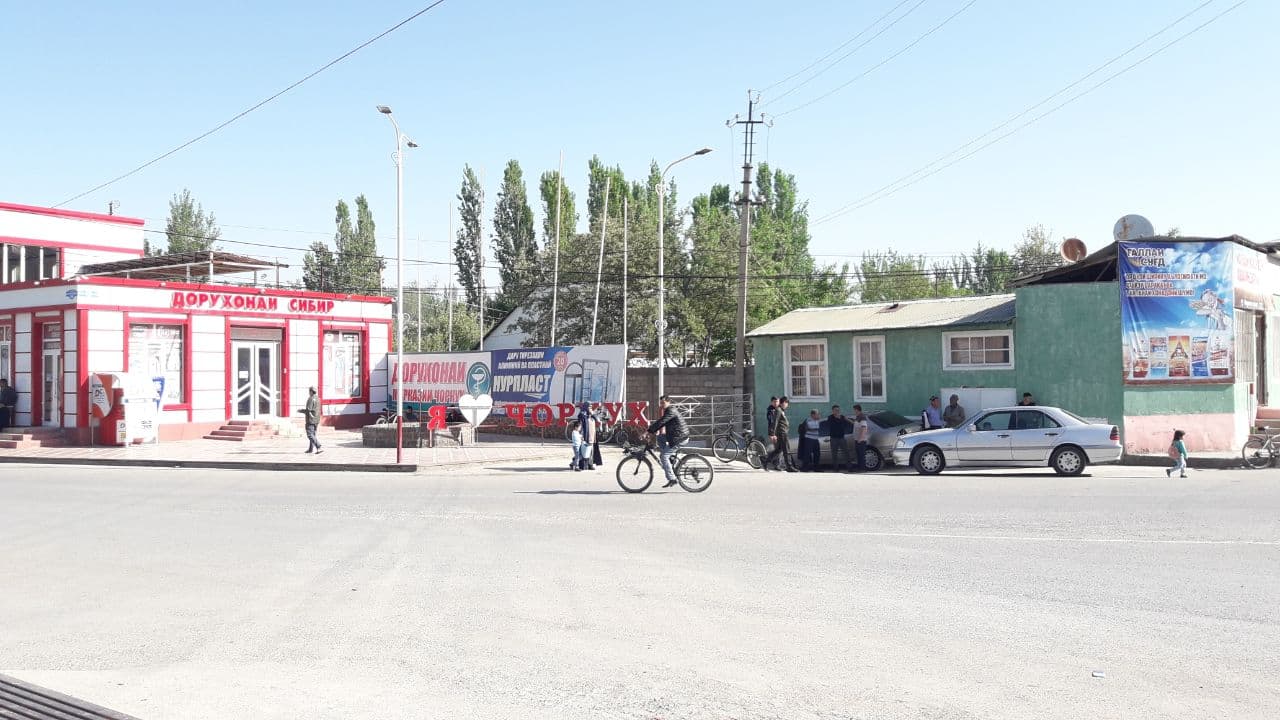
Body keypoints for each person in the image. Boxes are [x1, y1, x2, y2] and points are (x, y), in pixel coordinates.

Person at [646, 395, 690, 488]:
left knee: (663, 456)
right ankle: (670, 460)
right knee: (660, 438)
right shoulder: (668, 410)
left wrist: (649, 431)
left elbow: (662, 421)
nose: (661, 405)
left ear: (668, 402)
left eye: (663, 403)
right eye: (660, 403)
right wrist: (653, 431)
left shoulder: (671, 410)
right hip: (675, 435)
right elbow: (662, 422)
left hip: (679, 438)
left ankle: (672, 479)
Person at [764, 396, 798, 472]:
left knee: (778, 450)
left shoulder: (780, 410)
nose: (787, 406)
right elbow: (775, 422)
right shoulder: (778, 410)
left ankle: (765, 461)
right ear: (784, 403)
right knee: (786, 450)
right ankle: (789, 466)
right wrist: (772, 434)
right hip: (782, 433)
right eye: (787, 404)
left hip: (782, 432)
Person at [827, 405, 852, 470]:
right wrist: (838, 418)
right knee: (834, 454)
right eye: (836, 410)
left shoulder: (842, 417)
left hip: (841, 438)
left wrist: (856, 423)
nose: (838, 411)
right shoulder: (830, 417)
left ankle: (849, 467)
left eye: (838, 410)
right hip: (834, 438)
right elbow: (831, 425)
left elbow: (849, 421)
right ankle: (835, 468)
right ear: (833, 411)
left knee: (846, 452)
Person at [300, 386, 322, 454]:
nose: (309, 393)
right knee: (313, 434)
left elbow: (308, 410)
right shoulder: (318, 399)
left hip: (311, 419)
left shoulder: (311, 399)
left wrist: (301, 411)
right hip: (316, 419)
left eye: (309, 391)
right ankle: (311, 449)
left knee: (310, 434)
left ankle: (318, 446)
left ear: (311, 391)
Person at [576, 402, 597, 470]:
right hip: (585, 435)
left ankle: (590, 464)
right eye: (589, 406)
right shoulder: (582, 414)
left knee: (591, 451)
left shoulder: (592, 415)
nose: (590, 408)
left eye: (591, 407)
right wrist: (580, 435)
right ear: (585, 407)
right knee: (583, 451)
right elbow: (580, 425)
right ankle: (581, 465)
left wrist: (592, 414)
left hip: (591, 436)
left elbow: (598, 420)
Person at [851, 404, 870, 472]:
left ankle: (863, 468)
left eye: (854, 410)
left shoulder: (862, 417)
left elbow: (864, 428)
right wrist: (847, 420)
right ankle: (860, 468)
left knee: (861, 455)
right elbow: (855, 424)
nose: (854, 411)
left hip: (861, 440)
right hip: (857, 439)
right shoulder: (858, 417)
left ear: (857, 410)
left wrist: (860, 438)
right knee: (858, 455)